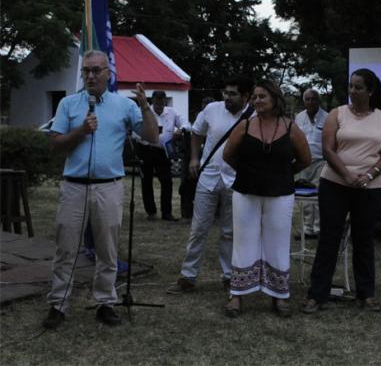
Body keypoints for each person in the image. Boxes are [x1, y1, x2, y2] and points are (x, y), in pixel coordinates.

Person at [42, 50, 158, 329]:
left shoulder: (123, 106)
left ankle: (105, 302)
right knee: (65, 248)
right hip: (74, 186)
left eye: (97, 70)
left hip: (108, 187)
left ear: (109, 73)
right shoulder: (69, 104)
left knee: (108, 249)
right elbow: (56, 144)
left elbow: (152, 137)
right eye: (87, 71)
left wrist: (144, 107)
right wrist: (81, 130)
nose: (91, 76)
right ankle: (58, 305)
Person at [301, 68, 381, 314]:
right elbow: (328, 149)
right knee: (328, 240)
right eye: (351, 86)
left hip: (370, 186)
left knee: (364, 240)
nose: (353, 91)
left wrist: (367, 176)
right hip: (335, 183)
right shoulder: (337, 114)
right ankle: (316, 295)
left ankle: (366, 294)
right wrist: (347, 175)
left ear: (371, 91)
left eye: (359, 87)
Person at [222, 80, 311, 317]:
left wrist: (283, 175)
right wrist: (248, 172)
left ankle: (279, 296)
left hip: (280, 194)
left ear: (275, 99)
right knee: (243, 241)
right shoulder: (244, 125)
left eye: (262, 96)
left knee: (278, 242)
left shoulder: (291, 127)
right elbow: (228, 155)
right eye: (255, 97)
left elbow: (305, 159)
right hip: (246, 192)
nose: (257, 101)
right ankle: (237, 295)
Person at [166, 77, 255, 294]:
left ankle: (228, 276)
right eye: (226, 92)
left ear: (246, 97)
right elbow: (196, 132)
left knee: (229, 231)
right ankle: (188, 276)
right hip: (208, 177)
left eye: (233, 94)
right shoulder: (212, 109)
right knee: (198, 228)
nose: (227, 97)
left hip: (236, 180)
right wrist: (194, 158)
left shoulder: (254, 116)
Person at [136, 90, 189, 221]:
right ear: (152, 101)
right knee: (146, 181)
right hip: (146, 148)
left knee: (167, 182)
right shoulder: (143, 111)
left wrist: (180, 129)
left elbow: (187, 124)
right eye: (156, 103)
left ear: (165, 101)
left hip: (163, 151)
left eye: (161, 103)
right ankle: (151, 212)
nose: (159, 106)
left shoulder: (171, 112)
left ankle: (167, 212)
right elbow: (136, 131)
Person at [294, 88, 328, 238]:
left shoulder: (327, 117)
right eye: (307, 99)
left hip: (321, 161)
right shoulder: (299, 117)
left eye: (313, 99)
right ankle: (307, 229)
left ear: (318, 100)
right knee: (305, 197)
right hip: (303, 161)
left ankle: (319, 228)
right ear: (304, 101)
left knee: (319, 195)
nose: (310, 102)